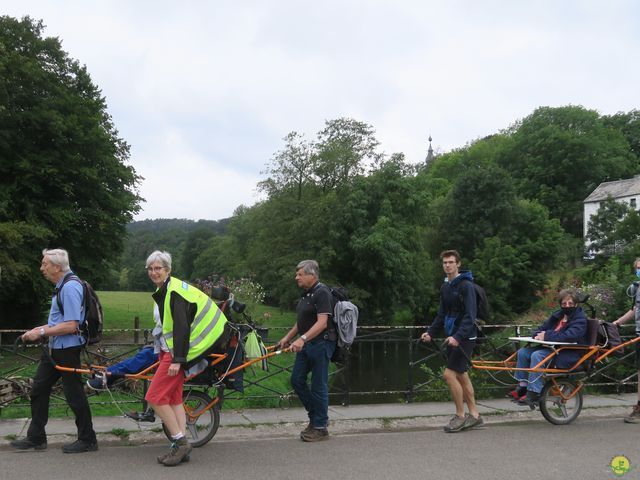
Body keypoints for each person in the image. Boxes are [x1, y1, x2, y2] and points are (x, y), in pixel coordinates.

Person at [144, 250, 230, 466]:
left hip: (177, 354)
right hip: (172, 351)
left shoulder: (173, 293)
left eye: (158, 268)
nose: (154, 272)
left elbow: (182, 327)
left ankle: (180, 442)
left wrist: (177, 360)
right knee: (174, 400)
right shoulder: (167, 289)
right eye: (151, 269)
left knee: (154, 398)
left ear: (168, 270)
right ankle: (181, 447)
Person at [11, 249, 98, 453]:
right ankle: (36, 437)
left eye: (44, 264)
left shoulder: (69, 288)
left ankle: (88, 439)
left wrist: (41, 331)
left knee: (74, 394)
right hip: (55, 349)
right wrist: (36, 330)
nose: (41, 268)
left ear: (57, 267)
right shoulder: (62, 286)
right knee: (39, 389)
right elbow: (59, 322)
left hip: (67, 349)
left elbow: (71, 325)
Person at [420, 250, 483, 433]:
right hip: (452, 336)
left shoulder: (466, 286)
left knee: (449, 375)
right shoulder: (445, 286)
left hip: (465, 337)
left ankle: (460, 416)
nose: (447, 265)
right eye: (445, 263)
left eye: (451, 262)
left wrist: (457, 336)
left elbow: (470, 316)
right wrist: (431, 332)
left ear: (458, 264)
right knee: (461, 375)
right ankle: (475, 415)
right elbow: (442, 314)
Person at [275, 260, 336, 442]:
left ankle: (320, 427)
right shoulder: (307, 294)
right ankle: (315, 417)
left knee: (318, 386)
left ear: (312, 275)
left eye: (300, 274)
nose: (296, 277)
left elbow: (322, 322)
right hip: (308, 343)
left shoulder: (322, 292)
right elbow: (301, 321)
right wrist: (288, 338)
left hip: (321, 344)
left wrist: (302, 339)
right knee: (297, 380)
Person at [511, 289, 588, 408]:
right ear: (560, 304)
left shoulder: (580, 320)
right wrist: (536, 335)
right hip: (553, 349)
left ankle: (534, 392)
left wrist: (546, 335)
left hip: (568, 353)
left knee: (537, 356)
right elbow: (542, 328)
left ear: (576, 304)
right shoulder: (557, 316)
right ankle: (522, 386)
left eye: (570, 304)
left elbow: (569, 336)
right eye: (564, 304)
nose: (567, 306)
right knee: (523, 352)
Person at [613, 257, 640, 423]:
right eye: (637, 268)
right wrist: (616, 323)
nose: (639, 270)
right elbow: (634, 310)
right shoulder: (637, 288)